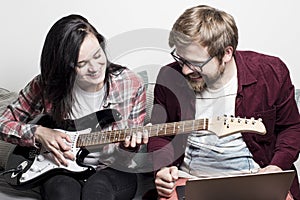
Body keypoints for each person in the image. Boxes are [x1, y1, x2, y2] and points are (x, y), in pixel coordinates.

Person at [147, 5, 300, 200]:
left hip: (255, 177)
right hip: (189, 180)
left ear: (226, 53)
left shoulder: (270, 72)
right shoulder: (170, 77)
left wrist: (275, 167)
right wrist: (162, 168)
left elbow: (291, 127)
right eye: (181, 59)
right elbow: (161, 131)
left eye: (195, 63)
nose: (185, 70)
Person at [0, 14, 148, 200]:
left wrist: (131, 146)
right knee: (63, 193)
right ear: (64, 66)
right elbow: (2, 123)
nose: (95, 68)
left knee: (97, 191)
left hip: (112, 170)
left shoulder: (130, 83)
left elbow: (124, 158)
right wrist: (38, 133)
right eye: (82, 63)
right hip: (59, 169)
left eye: (97, 55)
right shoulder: (45, 86)